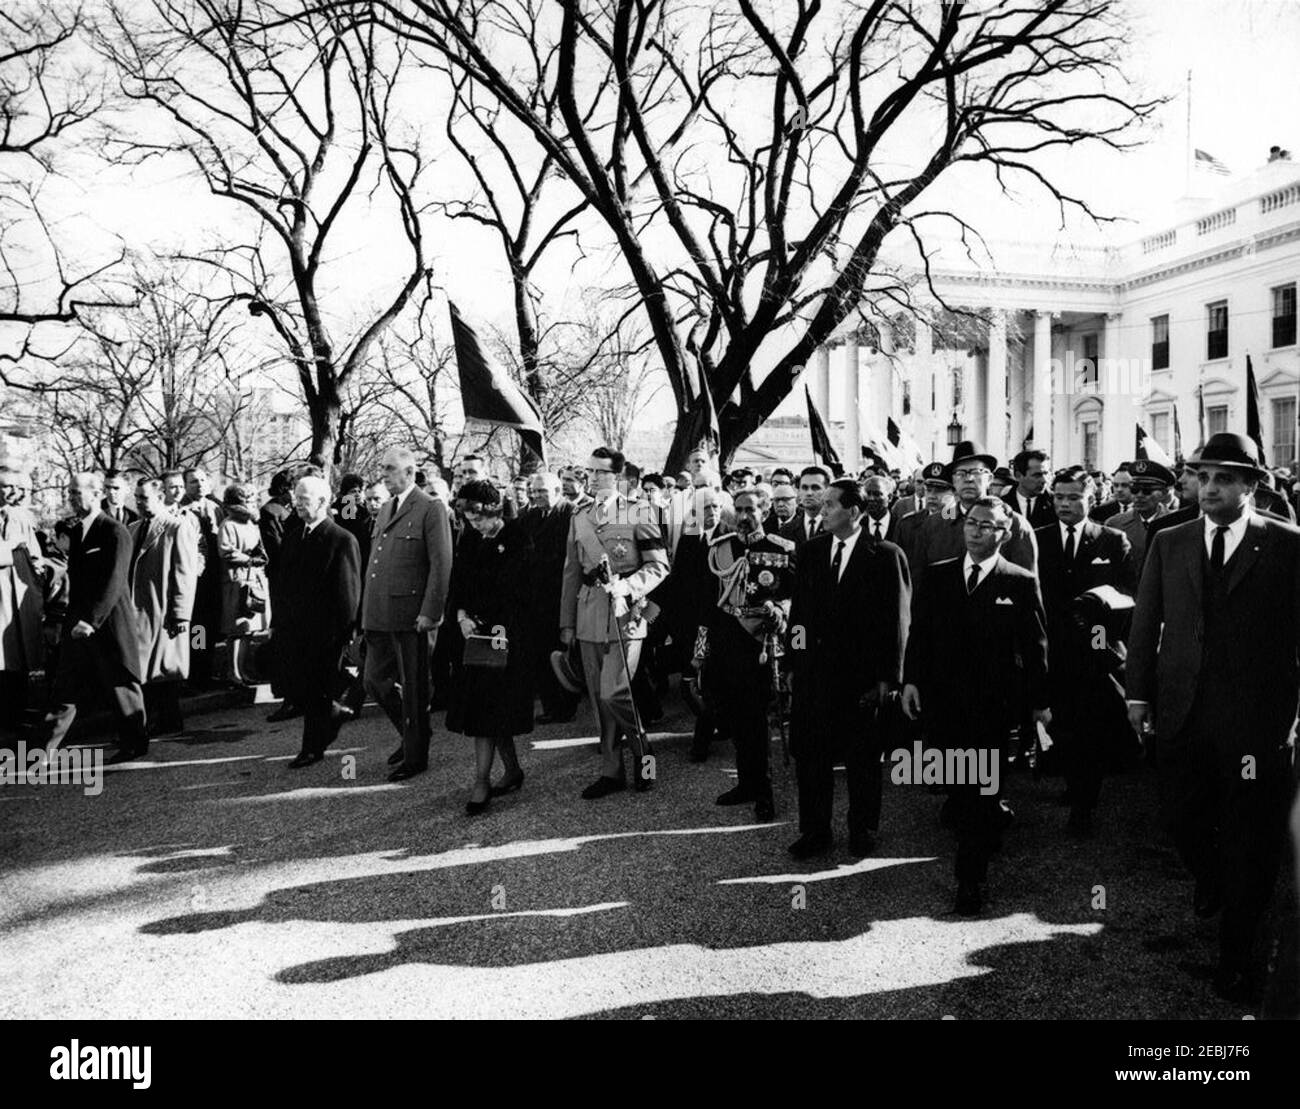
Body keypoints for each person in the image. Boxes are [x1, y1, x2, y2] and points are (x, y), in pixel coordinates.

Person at [1127, 432, 1300, 1002]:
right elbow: (1146, 621)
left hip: (1256, 722)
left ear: (1252, 485)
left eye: (1224, 478)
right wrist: (1138, 695)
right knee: (1180, 818)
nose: (1209, 488)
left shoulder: (1287, 545)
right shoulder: (1169, 541)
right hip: (1183, 711)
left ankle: (1237, 955)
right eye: (1203, 476)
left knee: (1252, 840)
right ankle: (1214, 877)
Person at [902, 497, 1050, 914]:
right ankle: (980, 828)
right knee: (959, 785)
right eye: (971, 522)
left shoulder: (1019, 581)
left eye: (987, 526)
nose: (976, 530)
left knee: (979, 792)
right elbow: (920, 635)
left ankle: (970, 880)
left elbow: (1036, 646)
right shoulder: (937, 576)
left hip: (993, 706)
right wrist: (911, 681)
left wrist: (1039, 703)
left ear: (1004, 534)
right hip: (943, 701)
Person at [787, 479, 910, 859]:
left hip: (861, 680)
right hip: (815, 676)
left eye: (828, 505)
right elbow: (800, 618)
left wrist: (887, 678)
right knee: (812, 758)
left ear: (853, 512)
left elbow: (898, 623)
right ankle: (815, 830)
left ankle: (863, 828)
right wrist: (795, 663)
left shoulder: (886, 555)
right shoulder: (811, 552)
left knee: (862, 760)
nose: (820, 511)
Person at [560, 446, 669, 797]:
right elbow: (571, 573)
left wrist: (628, 586)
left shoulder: (638, 512)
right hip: (589, 612)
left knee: (614, 693)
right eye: (588, 472)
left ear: (618, 477)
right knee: (597, 697)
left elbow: (659, 565)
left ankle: (644, 754)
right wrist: (567, 622)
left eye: (600, 472)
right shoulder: (579, 517)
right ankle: (611, 771)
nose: (592, 478)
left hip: (627, 614)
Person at [1033, 467, 1135, 835]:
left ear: (1091, 498)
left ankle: (1084, 805)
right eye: (1059, 497)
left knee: (1090, 730)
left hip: (1095, 651)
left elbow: (1127, 597)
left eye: (1073, 497)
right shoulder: (1037, 539)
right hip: (1051, 649)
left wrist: (1097, 639)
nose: (1064, 504)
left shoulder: (1112, 540)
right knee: (1060, 725)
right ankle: (1073, 782)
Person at [695, 489, 796, 822]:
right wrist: (700, 651)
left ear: (764, 509)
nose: (743, 515)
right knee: (733, 717)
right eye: (737, 509)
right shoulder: (720, 549)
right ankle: (746, 783)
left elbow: (792, 597)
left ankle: (763, 792)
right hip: (725, 643)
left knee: (754, 720)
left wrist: (779, 611)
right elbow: (708, 606)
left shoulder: (780, 550)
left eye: (750, 509)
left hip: (758, 645)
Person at [37, 472, 148, 764]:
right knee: (65, 688)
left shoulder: (114, 531)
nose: (72, 498)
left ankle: (135, 742)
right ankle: (41, 753)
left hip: (107, 624)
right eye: (70, 493)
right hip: (77, 626)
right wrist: (73, 621)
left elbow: (114, 581)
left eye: (77, 492)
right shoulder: (75, 533)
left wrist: (92, 620)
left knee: (121, 686)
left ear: (96, 492)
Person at [363, 447, 454, 781]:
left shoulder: (431, 508)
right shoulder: (387, 507)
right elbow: (376, 563)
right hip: (379, 613)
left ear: (410, 472)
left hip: (411, 613)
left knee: (414, 688)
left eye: (389, 469)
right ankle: (413, 733)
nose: (383, 475)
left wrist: (431, 611)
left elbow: (441, 563)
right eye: (382, 468)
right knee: (374, 680)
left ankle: (416, 755)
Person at [446, 480, 533, 813]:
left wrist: (489, 624)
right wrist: (462, 615)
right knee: (485, 709)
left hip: (505, 635)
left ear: (495, 511)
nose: (475, 526)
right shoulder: (470, 538)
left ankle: (483, 781)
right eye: (469, 520)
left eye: (479, 519)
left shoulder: (517, 536)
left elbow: (517, 590)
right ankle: (506, 771)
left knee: (490, 710)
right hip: (473, 635)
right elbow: (460, 580)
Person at [277, 475, 361, 768]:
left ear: (323, 502)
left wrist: (343, 636)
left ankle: (311, 748)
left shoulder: (341, 540)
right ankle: (336, 712)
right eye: (296, 498)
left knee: (316, 692)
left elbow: (348, 594)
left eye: (304, 499)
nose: (297, 504)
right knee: (301, 688)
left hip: (326, 635)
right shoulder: (294, 535)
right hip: (295, 631)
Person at [909, 441, 1037, 594]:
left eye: (976, 472)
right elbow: (918, 583)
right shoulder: (935, 523)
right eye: (961, 474)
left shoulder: (1015, 524)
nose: (968, 479)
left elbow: (1026, 590)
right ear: (953, 481)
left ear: (989, 478)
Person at [128, 478, 199, 736]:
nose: (138, 502)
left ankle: (168, 719)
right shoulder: (133, 528)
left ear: (159, 497)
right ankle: (155, 719)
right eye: (136, 497)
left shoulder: (176, 527)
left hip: (163, 609)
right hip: (138, 609)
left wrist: (180, 613)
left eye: (144, 497)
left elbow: (185, 573)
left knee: (165, 667)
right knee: (146, 667)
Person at [665, 487, 729, 762]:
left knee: (711, 683)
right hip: (692, 624)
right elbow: (678, 582)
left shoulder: (730, 537)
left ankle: (701, 742)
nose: (712, 513)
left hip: (721, 623)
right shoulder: (691, 537)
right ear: (694, 512)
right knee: (691, 681)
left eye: (715, 507)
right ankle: (719, 723)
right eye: (705, 508)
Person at [0, 466, 45, 730]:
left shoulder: (19, 516)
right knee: (3, 659)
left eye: (13, 486)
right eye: (5, 485)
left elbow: (35, 556)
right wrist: (10, 547)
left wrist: (37, 584)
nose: (11, 492)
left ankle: (18, 713)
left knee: (20, 657)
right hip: (2, 599)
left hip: (19, 595)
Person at [217, 484, 270, 685]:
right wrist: (248, 559)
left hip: (253, 579)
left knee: (249, 629)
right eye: (247, 500)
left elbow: (259, 546)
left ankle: (243, 670)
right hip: (236, 581)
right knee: (236, 630)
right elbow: (226, 551)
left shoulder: (251, 523)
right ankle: (234, 672)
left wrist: (260, 557)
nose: (252, 503)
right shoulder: (228, 525)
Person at [182, 468, 225, 688]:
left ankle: (207, 670)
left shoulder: (215, 508)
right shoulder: (183, 510)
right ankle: (195, 672)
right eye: (193, 482)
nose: (198, 485)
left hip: (213, 577)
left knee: (210, 624)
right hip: (193, 578)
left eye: (201, 481)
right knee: (198, 627)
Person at [1108, 460, 1175, 576]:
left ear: (1164, 493)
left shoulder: (1176, 523)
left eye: (1147, 491)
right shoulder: (1114, 524)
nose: (1139, 496)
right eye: (1134, 490)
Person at [893, 462, 954, 566]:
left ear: (954, 493)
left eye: (939, 491)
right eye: (929, 490)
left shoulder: (963, 524)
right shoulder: (907, 525)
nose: (932, 496)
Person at [780, 465, 830, 550]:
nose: (809, 493)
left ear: (827, 491)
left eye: (815, 488)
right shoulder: (786, 530)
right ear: (799, 492)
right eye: (804, 488)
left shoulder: (836, 528)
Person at [1006, 449, 1056, 528]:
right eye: (1037, 475)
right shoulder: (1003, 505)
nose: (1044, 480)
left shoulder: (1055, 503)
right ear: (1018, 476)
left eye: (1046, 474)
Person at [861, 474, 898, 542]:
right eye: (867, 494)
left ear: (890, 497)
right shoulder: (858, 526)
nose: (871, 498)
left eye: (877, 494)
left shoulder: (900, 525)